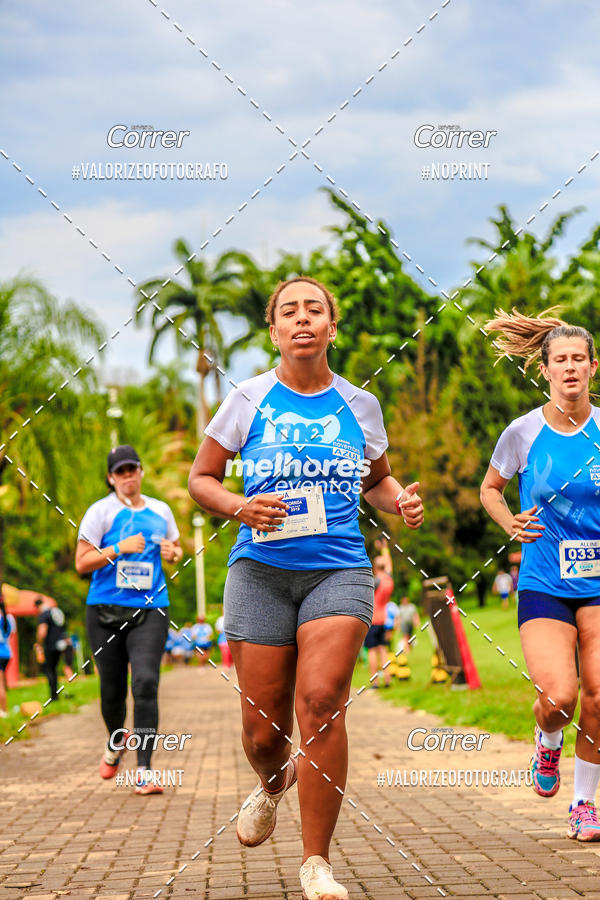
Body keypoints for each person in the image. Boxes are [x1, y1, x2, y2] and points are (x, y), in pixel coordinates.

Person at [188, 276, 424, 899]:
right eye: (288, 311)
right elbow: (201, 480)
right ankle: (271, 782)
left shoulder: (359, 405)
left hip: (337, 568)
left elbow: (378, 482)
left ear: (331, 328)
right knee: (263, 735)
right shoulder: (247, 398)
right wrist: (241, 507)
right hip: (260, 573)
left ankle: (316, 861)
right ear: (273, 330)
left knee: (321, 702)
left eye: (313, 309)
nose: (301, 319)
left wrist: (402, 502)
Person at [480, 308, 600, 842]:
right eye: (561, 360)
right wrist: (509, 522)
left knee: (599, 696)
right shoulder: (522, 431)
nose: (570, 368)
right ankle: (547, 742)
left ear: (593, 368)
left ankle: (584, 803)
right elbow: (490, 489)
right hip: (545, 583)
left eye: (579, 359)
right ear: (546, 370)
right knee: (559, 697)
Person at [75, 444, 182, 795]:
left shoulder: (161, 510)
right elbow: (82, 563)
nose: (128, 476)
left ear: (140, 471)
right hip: (104, 610)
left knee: (146, 683)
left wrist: (173, 552)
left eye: (132, 469)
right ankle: (115, 740)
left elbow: (177, 549)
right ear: (111, 478)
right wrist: (118, 549)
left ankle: (145, 770)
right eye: (120, 472)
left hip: (150, 607)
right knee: (112, 691)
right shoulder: (100, 512)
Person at [364, 557, 394, 688]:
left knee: (371, 651)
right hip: (384, 619)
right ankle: (387, 679)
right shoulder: (389, 580)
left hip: (373, 619)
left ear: (375, 567)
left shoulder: (376, 580)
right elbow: (389, 566)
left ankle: (375, 682)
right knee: (383, 650)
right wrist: (385, 549)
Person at [34, 597, 71, 701]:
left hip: (50, 645)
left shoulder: (43, 615)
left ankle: (54, 696)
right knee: (54, 669)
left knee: (49, 670)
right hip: (61, 643)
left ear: (37, 607)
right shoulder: (55, 612)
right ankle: (56, 694)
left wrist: (39, 644)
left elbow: (42, 631)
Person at [0, 596, 15, 718]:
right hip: (7, 653)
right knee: (2, 682)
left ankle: (4, 711)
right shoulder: (9, 618)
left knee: (0, 685)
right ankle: (4, 710)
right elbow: (11, 634)